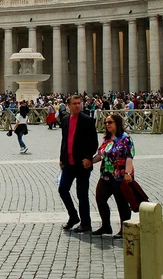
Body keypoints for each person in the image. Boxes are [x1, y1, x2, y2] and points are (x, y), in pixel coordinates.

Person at [59, 95, 98, 233]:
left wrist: (88, 158)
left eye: (79, 103)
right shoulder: (64, 120)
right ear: (68, 105)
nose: (77, 106)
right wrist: (62, 158)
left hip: (82, 164)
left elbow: (94, 143)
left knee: (82, 194)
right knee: (62, 189)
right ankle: (74, 216)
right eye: (74, 104)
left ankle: (86, 223)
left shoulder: (87, 121)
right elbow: (64, 141)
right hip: (68, 163)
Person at [91, 114, 135, 238]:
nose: (107, 125)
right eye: (106, 122)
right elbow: (101, 155)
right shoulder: (107, 139)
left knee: (121, 203)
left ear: (117, 123)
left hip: (120, 176)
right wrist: (90, 162)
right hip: (105, 174)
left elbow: (129, 156)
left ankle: (124, 228)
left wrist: (127, 173)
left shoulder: (125, 138)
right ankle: (106, 226)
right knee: (100, 198)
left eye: (110, 122)